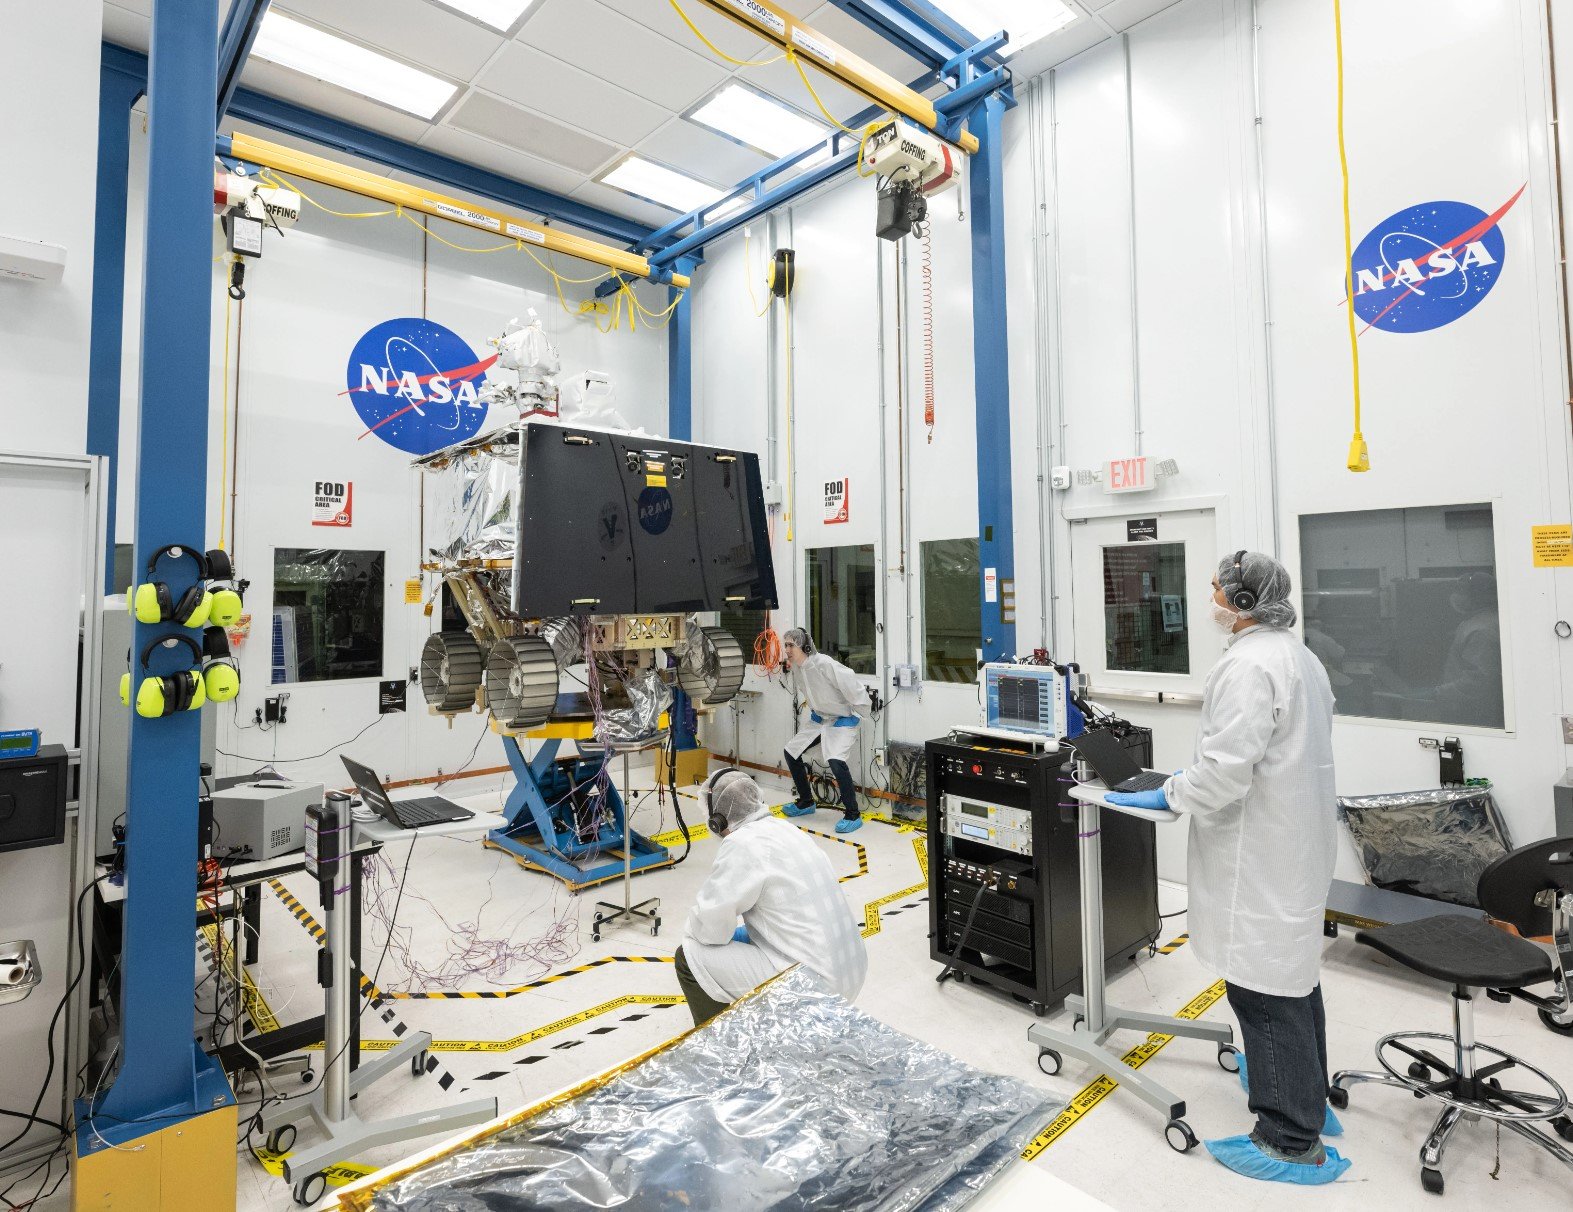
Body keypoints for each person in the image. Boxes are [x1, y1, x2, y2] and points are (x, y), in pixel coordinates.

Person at [1106, 550, 1350, 1185]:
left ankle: (1289, 1137)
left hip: (1259, 852)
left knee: (1260, 987)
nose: (1209, 596)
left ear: (1242, 601)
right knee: (1295, 977)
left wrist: (1168, 792)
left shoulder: (1248, 666)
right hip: (1293, 842)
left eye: (1217, 587)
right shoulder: (1299, 656)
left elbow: (1224, 774)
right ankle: (1309, 1097)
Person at [674, 768, 868, 1027]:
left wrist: (699, 930)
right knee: (745, 934)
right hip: (850, 973)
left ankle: (723, 1044)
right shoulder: (787, 830)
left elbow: (708, 929)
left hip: (812, 989)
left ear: (716, 821)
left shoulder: (741, 844)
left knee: (688, 956)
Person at [779, 627, 868, 834]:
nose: (787, 650)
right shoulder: (797, 667)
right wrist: (816, 710)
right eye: (786, 645)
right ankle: (806, 802)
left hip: (843, 719)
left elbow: (851, 683)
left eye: (791, 645)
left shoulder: (824, 664)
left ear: (804, 647)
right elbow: (812, 691)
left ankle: (853, 814)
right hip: (820, 719)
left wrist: (857, 713)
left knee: (836, 761)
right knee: (791, 752)